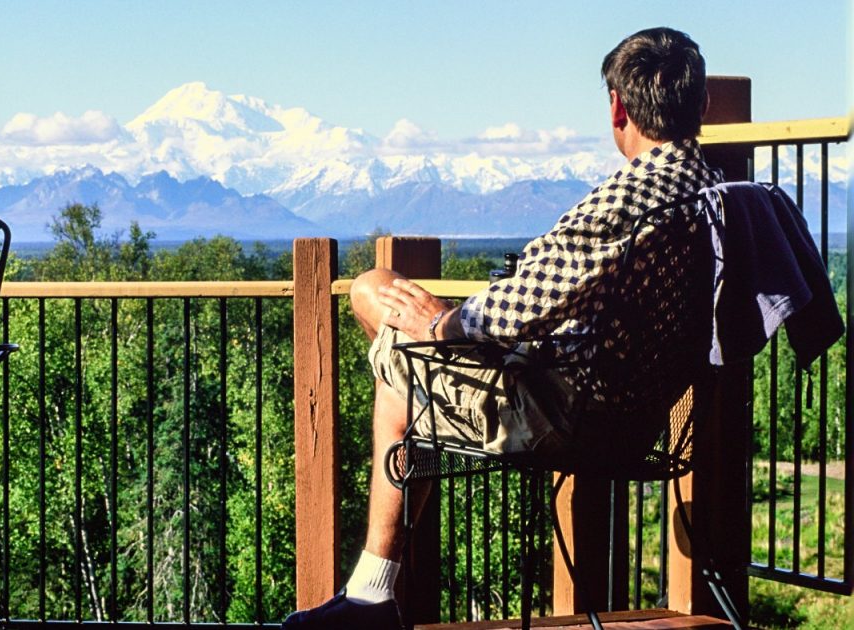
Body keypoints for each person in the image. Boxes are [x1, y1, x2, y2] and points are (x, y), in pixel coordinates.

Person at [283, 27, 722, 629]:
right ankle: (417, 447)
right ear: (700, 106)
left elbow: (519, 306)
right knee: (378, 295)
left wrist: (440, 323)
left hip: (568, 417)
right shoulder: (719, 194)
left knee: (396, 361)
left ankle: (371, 599)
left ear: (618, 108)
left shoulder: (630, 198)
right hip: (645, 417)